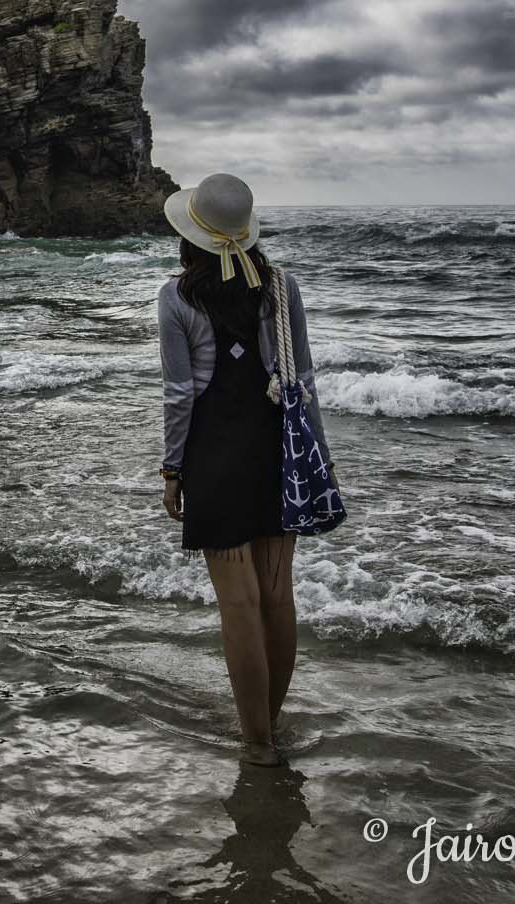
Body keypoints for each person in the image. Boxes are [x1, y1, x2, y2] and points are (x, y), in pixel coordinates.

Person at [156, 172, 324, 767]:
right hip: (276, 450)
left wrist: (173, 468)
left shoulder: (178, 296)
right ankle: (268, 728)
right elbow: (302, 383)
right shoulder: (282, 286)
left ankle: (256, 744)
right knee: (277, 596)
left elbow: (182, 393)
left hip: (215, 454)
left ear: (192, 236)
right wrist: (319, 462)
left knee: (239, 604)